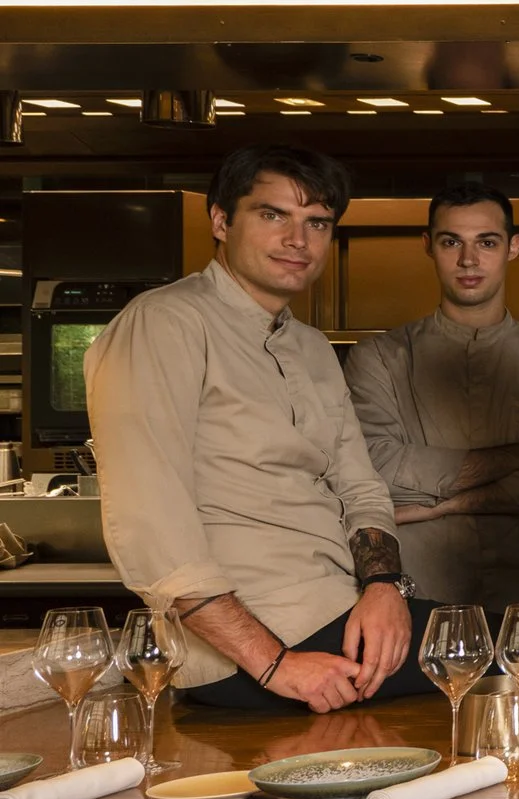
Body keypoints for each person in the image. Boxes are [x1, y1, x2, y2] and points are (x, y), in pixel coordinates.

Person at [87, 145, 425, 712]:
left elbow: (361, 488)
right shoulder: (165, 322)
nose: (299, 240)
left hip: (339, 612)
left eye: (317, 222)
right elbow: (149, 523)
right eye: (273, 215)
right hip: (255, 649)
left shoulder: (312, 347)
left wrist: (383, 586)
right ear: (220, 220)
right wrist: (275, 664)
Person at [345, 180, 519, 612]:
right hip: (416, 597)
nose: (469, 259)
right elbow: (374, 466)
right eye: (452, 242)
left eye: (486, 242)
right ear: (429, 246)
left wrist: (436, 506)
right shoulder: (379, 358)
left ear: (513, 246)